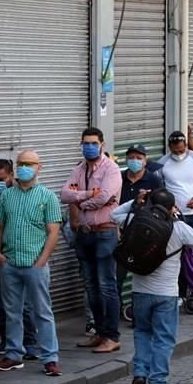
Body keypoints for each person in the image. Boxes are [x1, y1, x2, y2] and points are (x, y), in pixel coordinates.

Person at [111, 189, 193, 384]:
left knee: (142, 333)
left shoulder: (134, 221)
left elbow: (113, 215)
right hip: (166, 293)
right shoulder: (179, 228)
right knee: (164, 338)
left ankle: (139, 373)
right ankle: (158, 383)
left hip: (139, 292)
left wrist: (136, 203)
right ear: (172, 207)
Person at [0, 149, 63, 376]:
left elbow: (53, 232)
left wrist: (42, 260)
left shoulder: (47, 197)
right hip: (10, 263)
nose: (25, 167)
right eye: (21, 163)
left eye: (30, 164)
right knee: (12, 311)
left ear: (38, 168)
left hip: (35, 264)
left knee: (42, 312)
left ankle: (50, 358)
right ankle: (14, 354)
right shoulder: (7, 196)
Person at [62, 128, 124, 353]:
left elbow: (105, 196)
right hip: (84, 233)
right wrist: (88, 195)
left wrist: (81, 201)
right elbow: (65, 194)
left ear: (102, 144)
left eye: (93, 143)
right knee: (91, 285)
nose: (89, 146)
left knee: (107, 284)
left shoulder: (112, 169)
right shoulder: (78, 169)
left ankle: (112, 335)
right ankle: (99, 332)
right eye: (85, 143)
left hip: (105, 232)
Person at [0, 159, 39, 353]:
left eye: (1, 178)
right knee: (1, 302)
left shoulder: (21, 195)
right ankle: (7, 340)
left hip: (19, 258)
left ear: (10, 175)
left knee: (23, 303)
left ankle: (30, 341)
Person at [118, 144, 165, 307]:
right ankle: (116, 310)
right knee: (118, 274)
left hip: (145, 235)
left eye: (139, 158)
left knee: (144, 274)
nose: (134, 161)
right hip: (122, 234)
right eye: (131, 157)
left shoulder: (153, 180)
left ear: (145, 161)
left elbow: (161, 206)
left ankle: (141, 309)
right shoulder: (119, 178)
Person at [158, 131, 193, 233]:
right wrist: (168, 204)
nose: (179, 154)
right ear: (169, 147)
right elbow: (158, 187)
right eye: (175, 152)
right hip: (174, 215)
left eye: (181, 150)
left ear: (186, 145)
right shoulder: (163, 162)